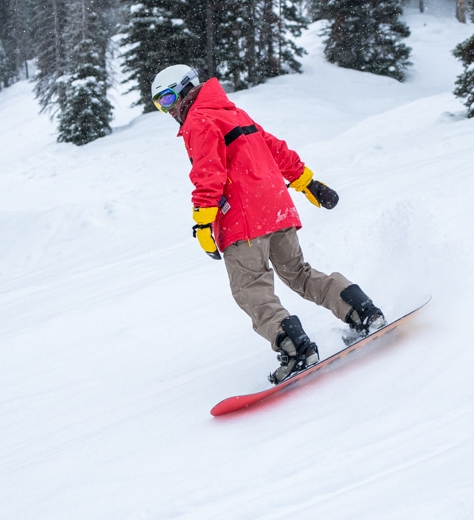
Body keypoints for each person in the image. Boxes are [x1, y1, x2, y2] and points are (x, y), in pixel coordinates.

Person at [152, 64, 387, 383]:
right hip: (276, 208)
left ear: (184, 89)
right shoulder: (233, 113)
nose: (166, 110)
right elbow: (273, 148)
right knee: (299, 274)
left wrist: (203, 223)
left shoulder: (199, 119)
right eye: (158, 104)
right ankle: (361, 311)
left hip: (242, 218)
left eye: (166, 100)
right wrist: (307, 183)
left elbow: (209, 173)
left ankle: (295, 350)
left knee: (250, 288)